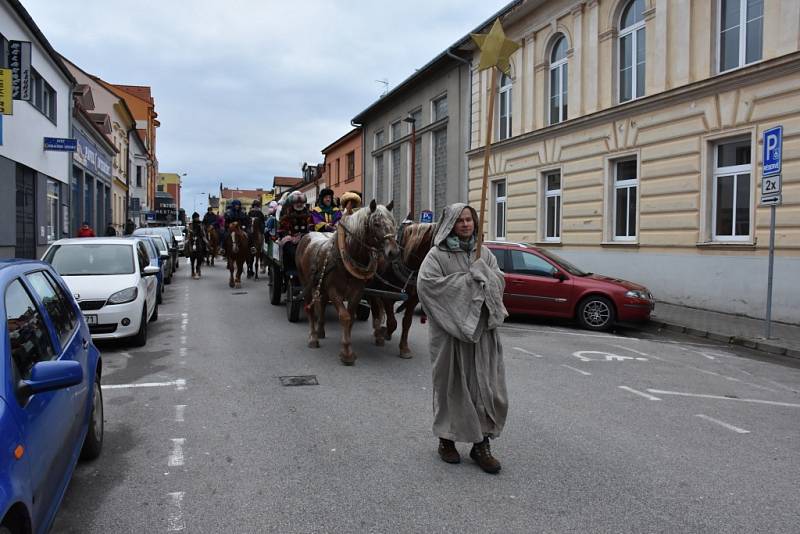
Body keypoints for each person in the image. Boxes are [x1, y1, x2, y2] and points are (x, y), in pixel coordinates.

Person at [417, 203, 508, 474]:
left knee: (484, 387)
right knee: (452, 387)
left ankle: (481, 444)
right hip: (449, 337)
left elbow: (500, 282)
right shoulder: (437, 255)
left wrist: (487, 278)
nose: (466, 224)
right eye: (460, 221)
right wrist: (468, 282)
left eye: (469, 220)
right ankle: (447, 439)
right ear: (450, 225)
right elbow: (428, 286)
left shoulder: (485, 254)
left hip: (482, 336)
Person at [277, 191, 312, 272]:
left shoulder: (307, 212)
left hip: (305, 235)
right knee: (288, 247)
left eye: (301, 202)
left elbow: (311, 224)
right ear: (293, 203)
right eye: (297, 202)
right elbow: (282, 227)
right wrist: (287, 235)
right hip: (291, 237)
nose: (299, 204)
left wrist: (309, 231)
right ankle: (291, 268)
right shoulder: (287, 212)